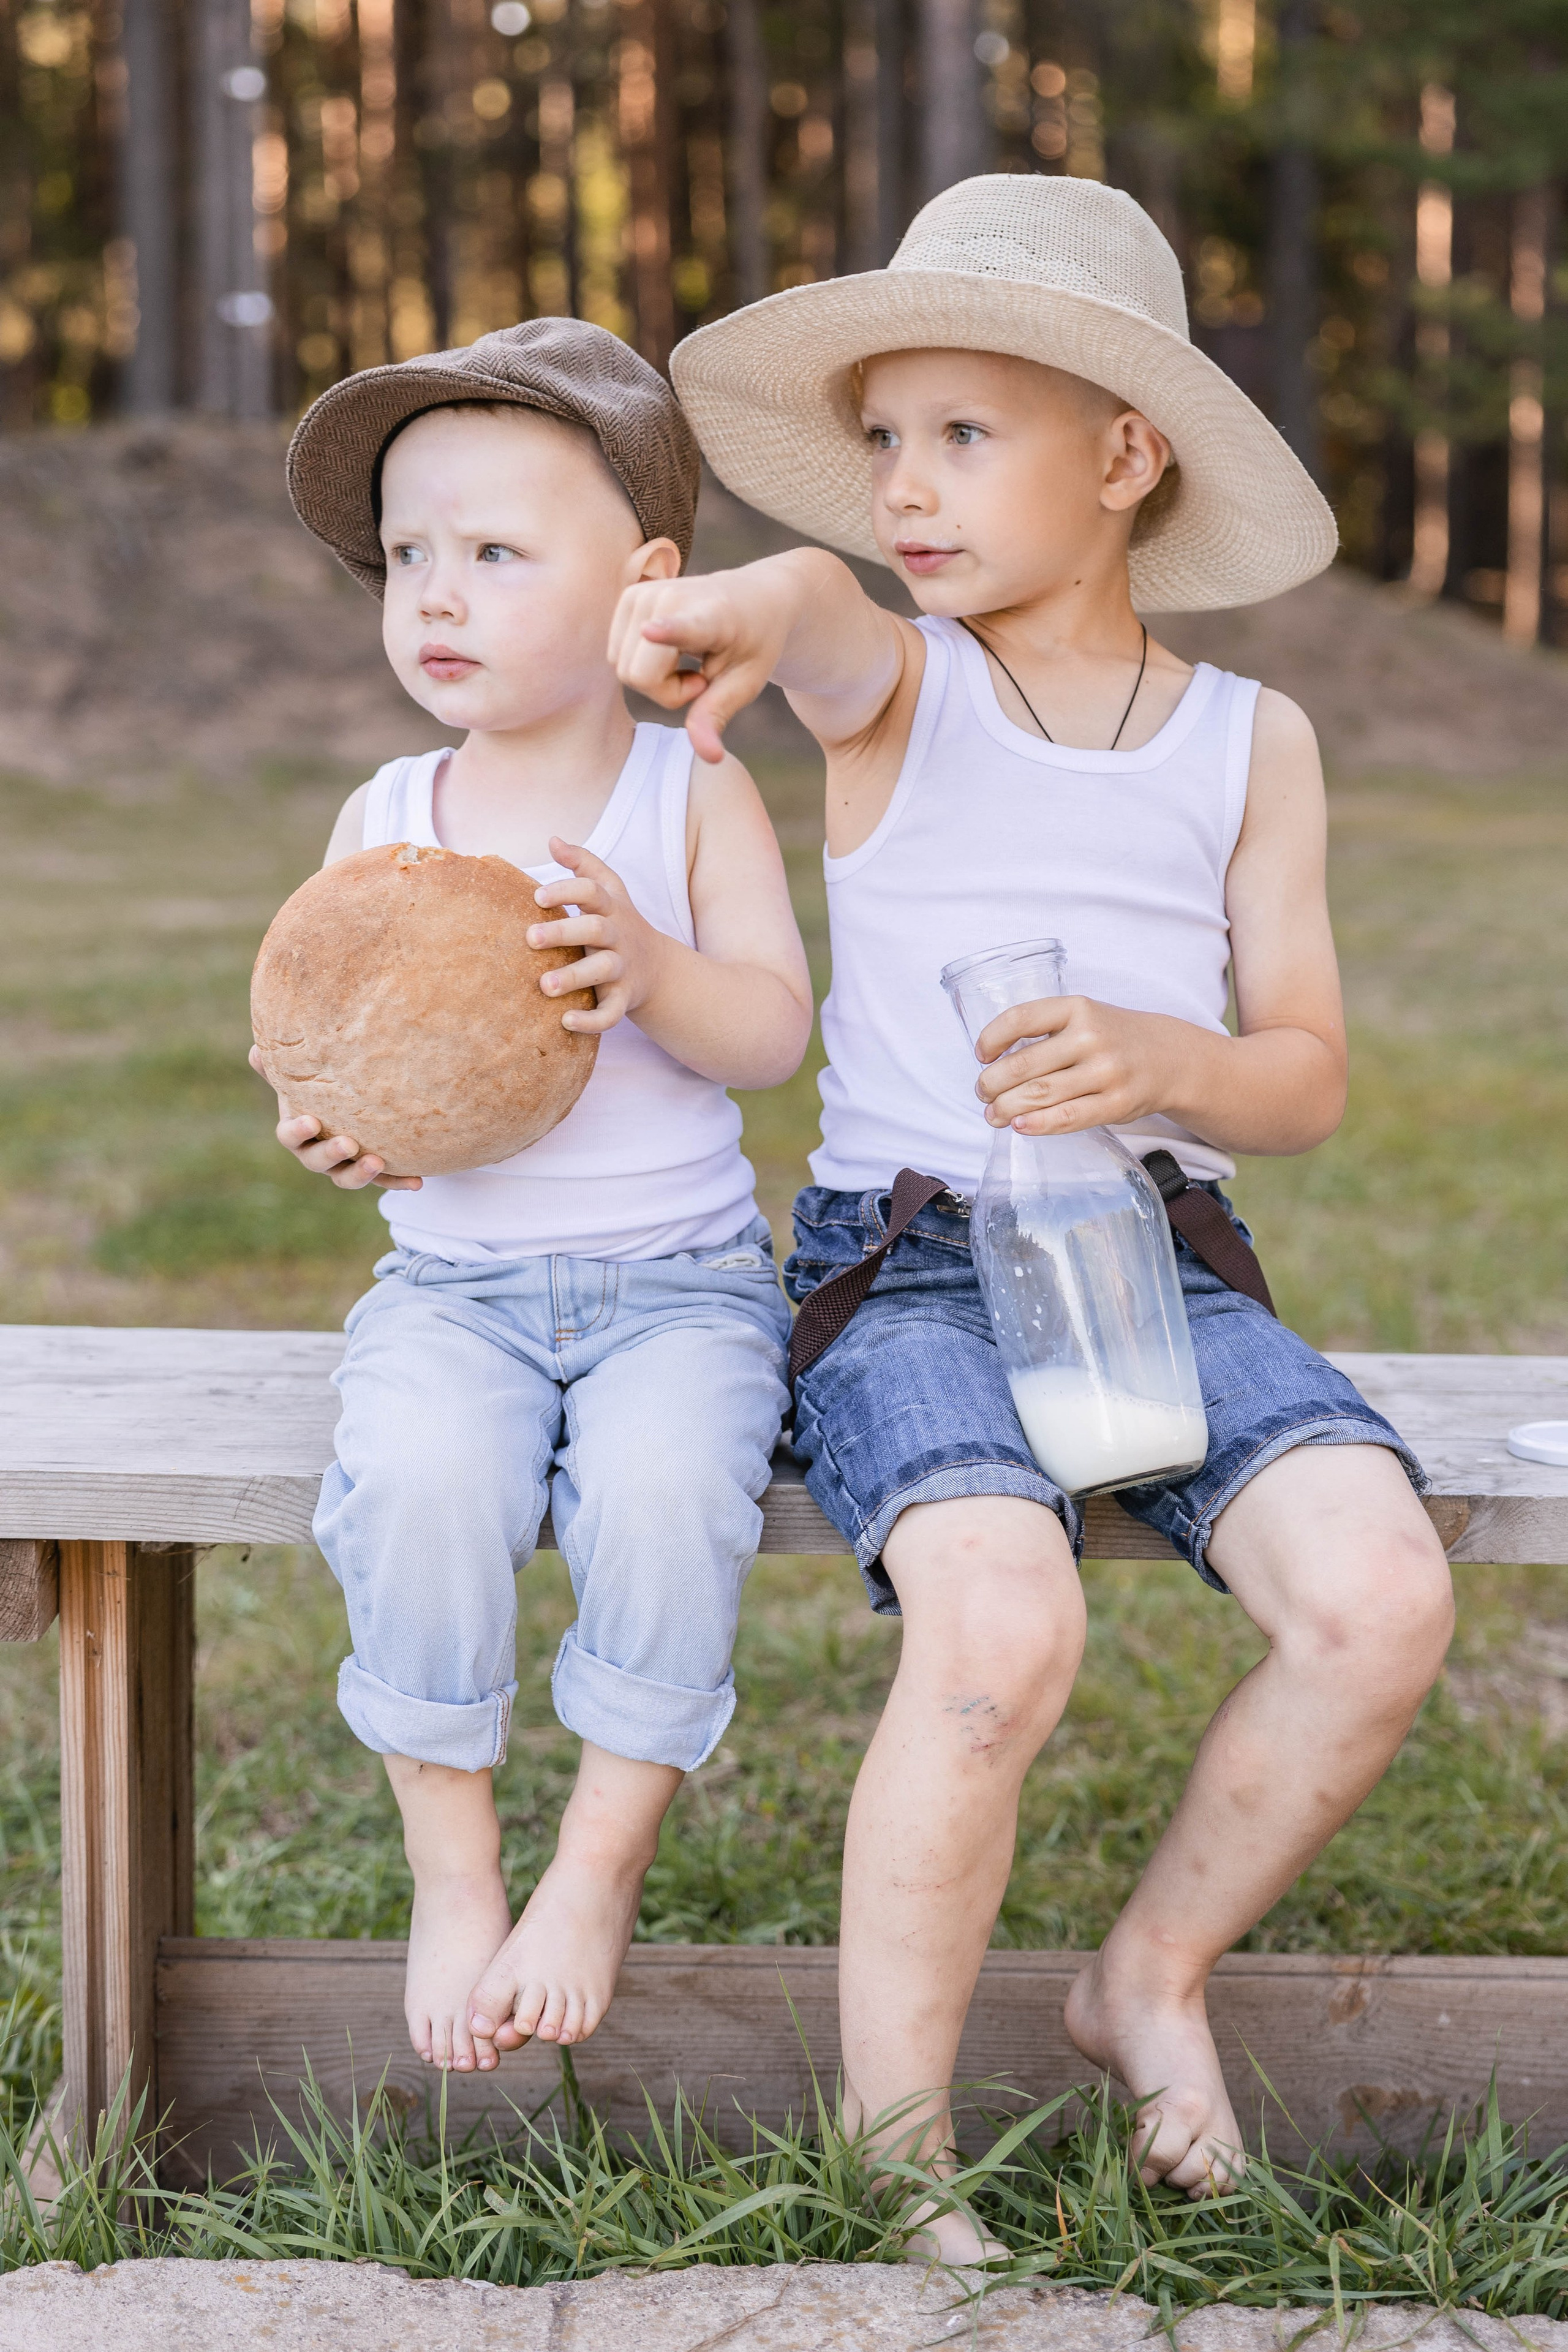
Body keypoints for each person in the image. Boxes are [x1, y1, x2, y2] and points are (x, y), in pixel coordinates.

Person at [612, 176, 1455, 2254]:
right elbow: (814, 609)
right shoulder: (901, 688)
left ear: (1127, 452)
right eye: (884, 438)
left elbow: (1307, 1074)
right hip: (906, 1274)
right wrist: (749, 607)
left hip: (1159, 1260)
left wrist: (1171, 1058)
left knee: (1379, 1598)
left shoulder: (1253, 742)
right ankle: (899, 2155)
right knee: (1002, 1625)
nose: (905, 484)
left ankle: (1143, 1974)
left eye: (964, 435)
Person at [265, 321, 812, 2077]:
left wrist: (651, 967)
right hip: (456, 1291)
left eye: (496, 552)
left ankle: (597, 1862)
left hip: (681, 1286)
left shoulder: (688, 789)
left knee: (666, 1498)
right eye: (408, 554)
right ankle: (453, 1866)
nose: (437, 593)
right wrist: (340, 1133)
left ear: (644, 584)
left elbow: (774, 1033)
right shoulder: (387, 816)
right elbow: (338, 1055)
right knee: (417, 1487)